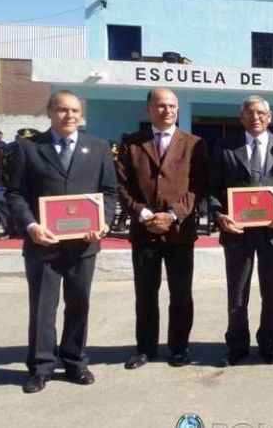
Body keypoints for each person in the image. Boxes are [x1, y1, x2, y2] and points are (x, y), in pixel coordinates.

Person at [5, 90, 117, 393]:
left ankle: (74, 361)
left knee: (79, 305)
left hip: (84, 244)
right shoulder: (28, 148)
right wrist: (30, 226)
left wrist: (103, 221)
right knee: (43, 307)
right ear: (49, 112)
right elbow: (13, 193)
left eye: (75, 111)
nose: (69, 116)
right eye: (63, 110)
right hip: (43, 244)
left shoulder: (98, 147)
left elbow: (109, 191)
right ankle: (41, 367)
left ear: (82, 114)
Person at [115, 88, 207, 370]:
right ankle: (145, 348)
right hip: (144, 232)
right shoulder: (131, 143)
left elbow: (197, 188)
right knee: (145, 294)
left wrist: (171, 215)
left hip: (179, 232)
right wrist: (144, 214)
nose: (166, 110)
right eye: (160, 105)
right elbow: (121, 186)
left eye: (172, 106)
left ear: (177, 110)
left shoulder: (194, 143)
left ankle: (179, 348)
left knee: (181, 293)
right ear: (148, 109)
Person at [208, 95, 273, 366]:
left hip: (272, 232)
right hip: (236, 231)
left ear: (270, 117)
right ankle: (237, 346)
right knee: (237, 292)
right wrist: (219, 215)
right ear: (241, 117)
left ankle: (268, 343)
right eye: (249, 112)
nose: (255, 117)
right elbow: (212, 189)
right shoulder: (224, 146)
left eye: (260, 113)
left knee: (271, 292)